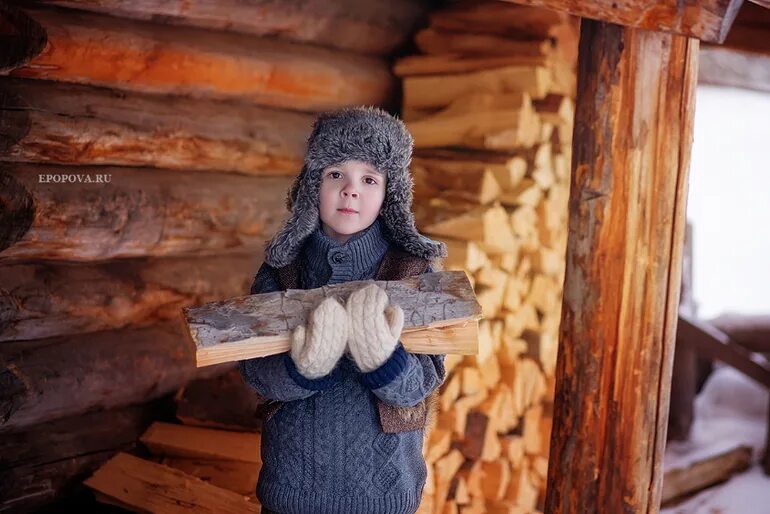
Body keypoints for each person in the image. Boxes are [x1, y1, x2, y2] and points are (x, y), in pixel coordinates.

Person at [238, 106, 448, 514]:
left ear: (391, 194)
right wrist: (306, 367)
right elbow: (255, 372)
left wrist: (382, 359)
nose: (351, 190)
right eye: (336, 174)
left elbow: (423, 383)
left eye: (369, 179)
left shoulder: (413, 271)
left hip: (383, 492)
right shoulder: (283, 269)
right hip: (294, 488)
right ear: (313, 184)